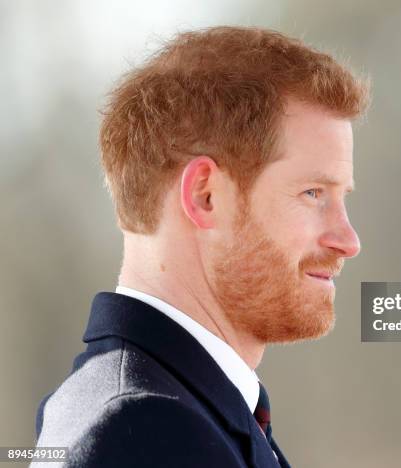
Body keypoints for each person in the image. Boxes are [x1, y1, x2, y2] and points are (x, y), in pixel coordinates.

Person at [33, 26, 369, 467]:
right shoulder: (142, 433)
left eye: (342, 197)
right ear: (205, 195)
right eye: (313, 193)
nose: (348, 241)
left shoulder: (163, 414)